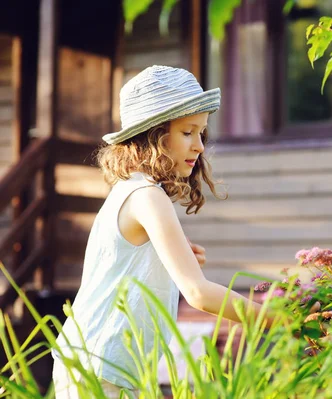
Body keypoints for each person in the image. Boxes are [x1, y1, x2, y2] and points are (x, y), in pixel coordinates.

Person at [51, 65, 271, 398]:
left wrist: (164, 258)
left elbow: (121, 266)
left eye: (202, 133)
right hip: (102, 368)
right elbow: (198, 294)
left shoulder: (131, 190)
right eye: (187, 132)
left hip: (95, 362)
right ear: (153, 135)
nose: (199, 146)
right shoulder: (147, 196)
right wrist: (280, 320)